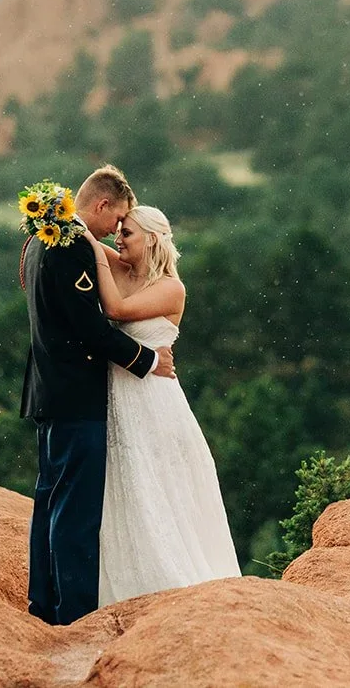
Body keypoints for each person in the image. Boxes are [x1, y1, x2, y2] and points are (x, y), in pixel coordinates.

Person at [19, 165, 176, 626]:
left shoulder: (42, 237)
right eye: (118, 218)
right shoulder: (67, 244)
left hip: (50, 394)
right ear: (103, 205)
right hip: (76, 399)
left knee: (49, 501)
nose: (115, 231)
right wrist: (147, 362)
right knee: (76, 514)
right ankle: (75, 616)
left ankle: (43, 602)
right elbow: (90, 329)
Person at [87, 203, 241, 605]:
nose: (116, 238)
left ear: (152, 239)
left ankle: (170, 585)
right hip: (117, 397)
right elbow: (77, 236)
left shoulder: (172, 288)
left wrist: (93, 245)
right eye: (117, 230)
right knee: (123, 488)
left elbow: (115, 310)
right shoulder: (119, 266)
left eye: (127, 233)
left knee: (155, 485)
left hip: (154, 402)